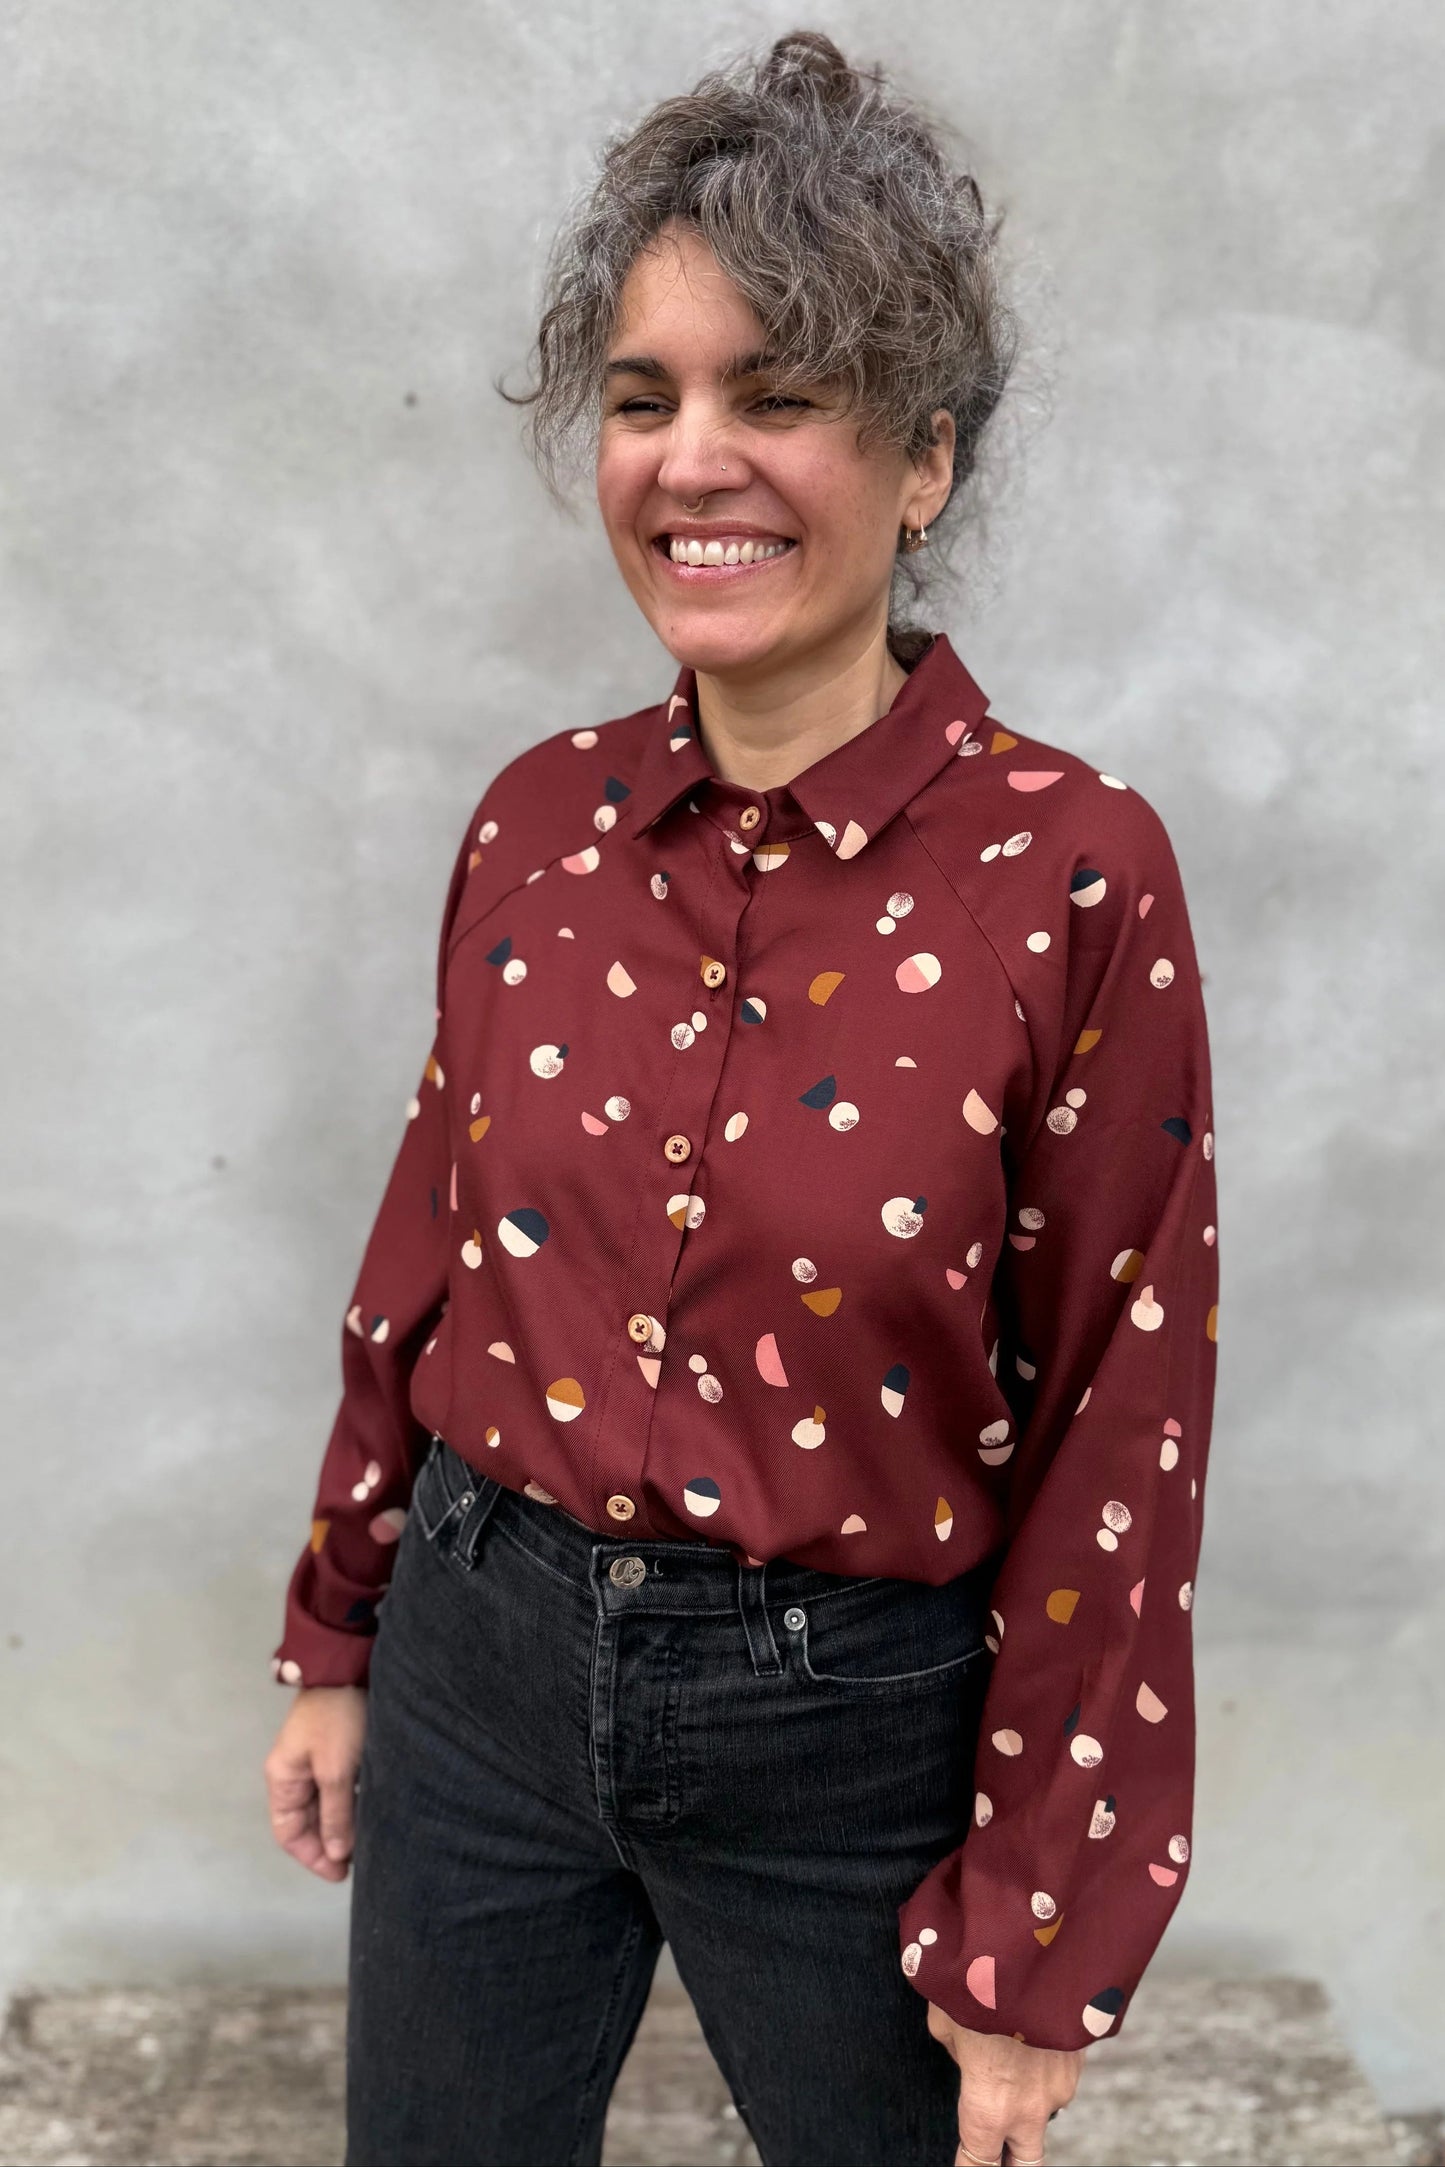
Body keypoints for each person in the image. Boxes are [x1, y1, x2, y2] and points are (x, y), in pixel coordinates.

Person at [263, 28, 1219, 2167]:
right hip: (479, 1667)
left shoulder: (1072, 875)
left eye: (778, 394)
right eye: (643, 397)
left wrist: (1034, 1936)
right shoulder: (536, 824)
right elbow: (427, 1256)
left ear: (927, 462)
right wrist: (339, 1627)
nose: (695, 458)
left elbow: (1118, 1436)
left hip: (852, 1728)